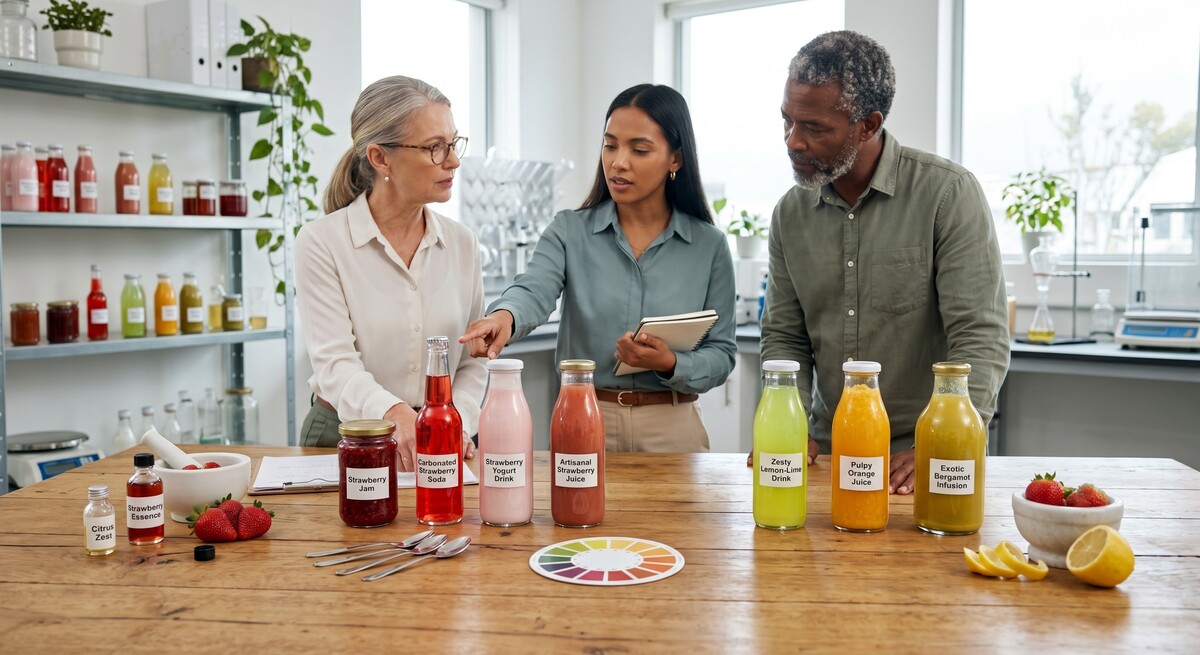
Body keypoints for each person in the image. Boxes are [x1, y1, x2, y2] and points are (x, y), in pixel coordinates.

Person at [759, 31, 1010, 493]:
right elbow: (785, 336)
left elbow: (980, 335)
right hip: (828, 455)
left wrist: (944, 444)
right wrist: (786, 422)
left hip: (919, 461)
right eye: (787, 121)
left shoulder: (947, 195)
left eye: (813, 127)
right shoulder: (789, 214)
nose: (793, 141)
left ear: (868, 125)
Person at [459, 84, 736, 452]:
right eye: (610, 145)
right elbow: (534, 288)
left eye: (639, 149)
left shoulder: (709, 245)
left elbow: (722, 354)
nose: (618, 162)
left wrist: (670, 362)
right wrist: (504, 317)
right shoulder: (569, 230)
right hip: (583, 418)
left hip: (673, 428)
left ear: (676, 159)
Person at [295, 75, 485, 472]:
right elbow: (335, 364)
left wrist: (456, 421)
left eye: (453, 144)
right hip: (347, 436)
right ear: (380, 158)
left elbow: (472, 361)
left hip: (443, 440)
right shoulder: (322, 242)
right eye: (435, 148)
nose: (453, 161)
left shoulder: (462, 243)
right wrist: (394, 413)